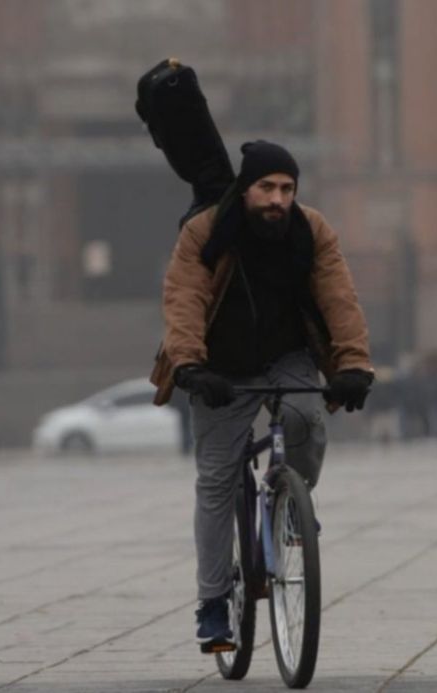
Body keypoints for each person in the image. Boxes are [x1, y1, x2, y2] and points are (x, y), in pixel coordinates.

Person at [148, 141, 375, 651]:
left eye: (287, 189)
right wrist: (188, 364)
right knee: (216, 480)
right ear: (244, 188)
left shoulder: (311, 230)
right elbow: (185, 297)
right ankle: (212, 603)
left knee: (307, 418)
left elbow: (339, 297)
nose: (277, 199)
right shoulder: (205, 230)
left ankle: (294, 505)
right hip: (219, 363)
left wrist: (354, 363)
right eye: (267, 188)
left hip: (287, 353)